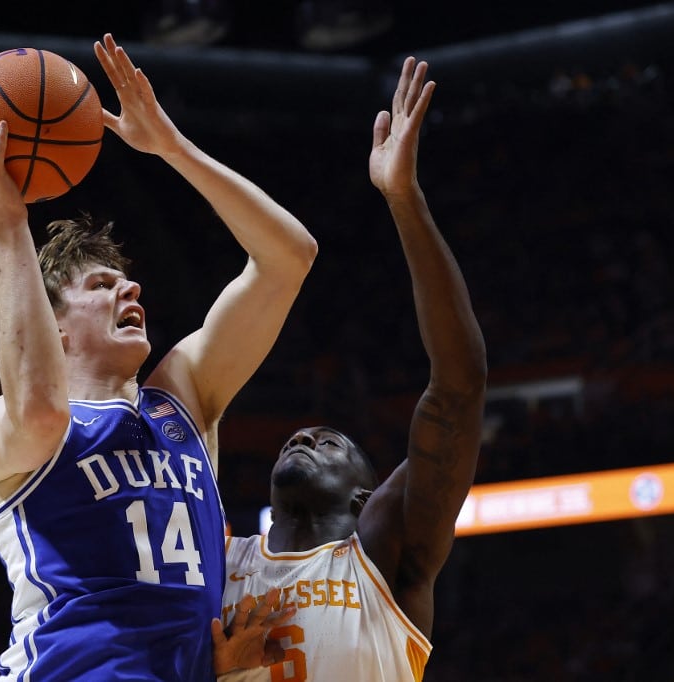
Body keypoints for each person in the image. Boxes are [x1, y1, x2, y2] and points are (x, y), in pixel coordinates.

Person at [0, 33, 318, 681]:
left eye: (127, 280)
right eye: (100, 284)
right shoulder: (10, 431)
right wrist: (8, 226)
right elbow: (39, 407)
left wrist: (174, 148)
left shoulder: (184, 397)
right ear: (53, 327)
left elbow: (290, 258)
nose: (129, 287)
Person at [218, 56, 488, 681]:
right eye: (303, 438)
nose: (305, 436)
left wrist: (404, 198)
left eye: (330, 442)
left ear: (368, 494)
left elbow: (459, 386)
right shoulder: (218, 563)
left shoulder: (386, 554)